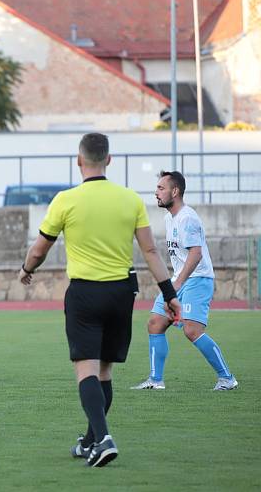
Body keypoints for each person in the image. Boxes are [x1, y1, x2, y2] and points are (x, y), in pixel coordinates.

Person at [18, 133, 182, 468]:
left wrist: (26, 269)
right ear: (109, 160)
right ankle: (90, 440)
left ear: (79, 161)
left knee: (86, 370)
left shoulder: (66, 200)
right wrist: (170, 295)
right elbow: (150, 251)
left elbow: (40, 249)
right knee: (105, 372)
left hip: (85, 294)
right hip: (122, 293)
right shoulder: (130, 200)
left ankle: (104, 438)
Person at [131, 171, 238, 391]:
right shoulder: (169, 217)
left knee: (191, 330)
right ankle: (155, 380)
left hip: (197, 279)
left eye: (161, 188)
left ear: (175, 191)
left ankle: (227, 378)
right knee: (155, 323)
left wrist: (177, 284)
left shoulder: (188, 217)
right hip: (178, 280)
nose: (156, 192)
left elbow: (196, 254)